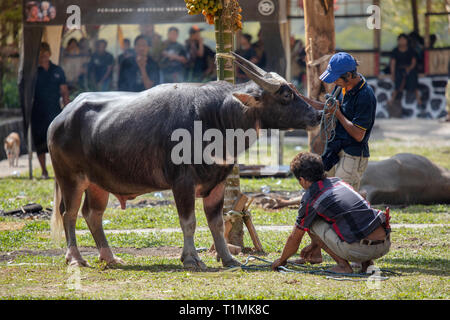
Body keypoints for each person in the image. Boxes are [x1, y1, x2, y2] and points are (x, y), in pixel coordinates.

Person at [271, 152, 391, 274]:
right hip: (384, 245)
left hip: (359, 250)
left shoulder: (310, 197)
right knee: (356, 218)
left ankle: (343, 266)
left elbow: (294, 238)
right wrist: (314, 245)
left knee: (311, 223)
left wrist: (281, 260)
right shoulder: (339, 182)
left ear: (302, 180)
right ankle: (367, 264)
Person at [297, 52, 377, 192]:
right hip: (335, 149)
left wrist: (338, 113)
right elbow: (328, 107)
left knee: (343, 197)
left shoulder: (365, 96)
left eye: (337, 78)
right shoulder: (341, 87)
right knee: (324, 191)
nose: (334, 82)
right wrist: (300, 97)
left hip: (352, 154)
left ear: (349, 75)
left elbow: (359, 135)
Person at [31, 42, 70, 179]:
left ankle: (57, 170)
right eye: (41, 54)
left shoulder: (57, 70)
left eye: (45, 53)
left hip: (54, 110)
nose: (43, 56)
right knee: (40, 142)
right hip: (37, 111)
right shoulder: (34, 71)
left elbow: (64, 91)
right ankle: (43, 171)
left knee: (56, 142)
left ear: (49, 53)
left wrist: (68, 108)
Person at [388, 33, 422, 111]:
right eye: (400, 40)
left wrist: (409, 69)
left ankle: (419, 100)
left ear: (407, 41)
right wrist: (392, 74)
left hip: (410, 69)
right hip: (399, 70)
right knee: (398, 80)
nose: (402, 41)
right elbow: (393, 63)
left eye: (403, 40)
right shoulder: (395, 51)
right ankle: (392, 100)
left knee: (413, 78)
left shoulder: (411, 50)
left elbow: (414, 62)